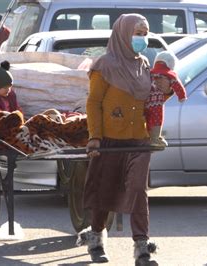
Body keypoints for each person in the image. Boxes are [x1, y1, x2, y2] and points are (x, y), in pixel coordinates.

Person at [77, 13, 169, 265]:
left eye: (144, 33)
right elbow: (94, 102)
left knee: (139, 191)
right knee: (105, 190)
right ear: (122, 33)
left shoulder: (144, 65)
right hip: (109, 140)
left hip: (138, 141)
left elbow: (150, 103)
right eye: (137, 33)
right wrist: (95, 137)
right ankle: (96, 238)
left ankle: (142, 248)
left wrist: (165, 92)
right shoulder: (104, 65)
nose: (142, 38)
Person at [145, 51, 186, 147]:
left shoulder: (149, 72)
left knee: (147, 119)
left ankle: (151, 136)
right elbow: (177, 85)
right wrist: (182, 96)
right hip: (157, 103)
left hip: (145, 101)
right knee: (156, 119)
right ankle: (155, 138)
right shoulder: (169, 74)